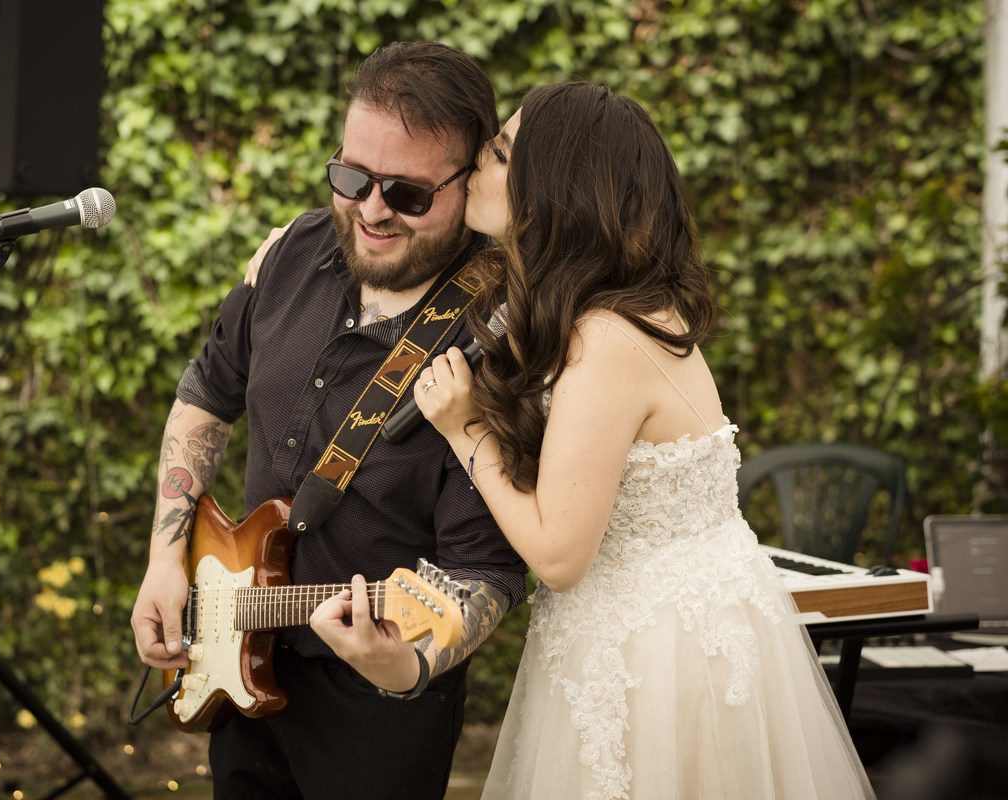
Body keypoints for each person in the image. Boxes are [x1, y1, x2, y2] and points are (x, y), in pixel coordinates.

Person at [409, 82, 877, 799]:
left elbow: (559, 554)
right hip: (664, 630)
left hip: (656, 660)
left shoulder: (603, 340)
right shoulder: (619, 313)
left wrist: (463, 428)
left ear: (551, 190)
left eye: (500, 153)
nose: (477, 161)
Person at [129, 41, 527, 800]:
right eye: (353, 177)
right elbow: (207, 396)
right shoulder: (293, 252)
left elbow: (487, 574)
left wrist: (398, 662)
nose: (372, 210)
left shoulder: (497, 336)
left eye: (408, 194)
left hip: (377, 703)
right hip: (238, 658)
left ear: (469, 177)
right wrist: (163, 559)